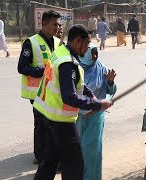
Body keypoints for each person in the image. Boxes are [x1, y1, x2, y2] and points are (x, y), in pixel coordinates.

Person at [32, 24, 113, 180]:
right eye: (86, 44)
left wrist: (93, 97)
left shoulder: (60, 53)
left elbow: (79, 86)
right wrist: (98, 104)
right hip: (60, 121)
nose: (87, 48)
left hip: (46, 116)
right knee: (74, 166)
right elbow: (70, 97)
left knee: (48, 164)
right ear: (77, 41)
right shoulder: (67, 63)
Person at [17, 10, 61, 165]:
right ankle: (40, 155)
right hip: (37, 93)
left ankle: (48, 153)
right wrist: (43, 72)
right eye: (54, 24)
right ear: (44, 24)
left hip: (53, 92)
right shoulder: (31, 42)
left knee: (51, 123)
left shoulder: (57, 42)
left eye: (58, 24)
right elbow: (22, 67)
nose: (57, 27)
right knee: (41, 123)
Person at [76, 31, 117, 180]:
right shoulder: (74, 66)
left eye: (95, 54)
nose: (94, 57)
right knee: (77, 152)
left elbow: (110, 91)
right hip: (76, 116)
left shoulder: (101, 68)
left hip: (95, 116)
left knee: (91, 151)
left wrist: (110, 82)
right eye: (91, 54)